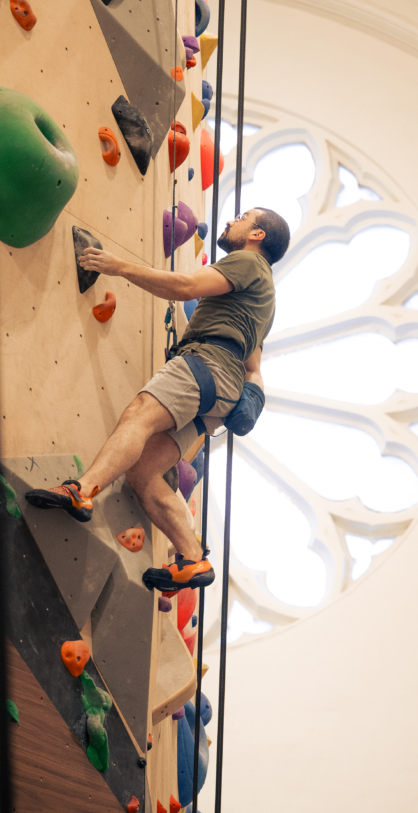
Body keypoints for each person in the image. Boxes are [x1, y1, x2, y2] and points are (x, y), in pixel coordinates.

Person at [25, 208, 291, 592]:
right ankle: (191, 558)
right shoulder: (267, 300)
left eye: (244, 217)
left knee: (140, 415)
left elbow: (185, 286)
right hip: (223, 396)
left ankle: (80, 491)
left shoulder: (247, 262)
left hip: (205, 365)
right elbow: (254, 367)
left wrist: (119, 267)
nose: (232, 219)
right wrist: (252, 402)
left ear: (258, 236)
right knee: (144, 474)